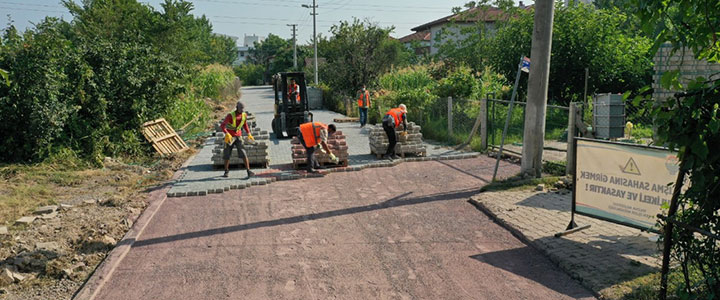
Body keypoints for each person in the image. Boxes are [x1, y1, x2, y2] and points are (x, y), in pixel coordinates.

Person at [221, 101, 255, 178]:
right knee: (227, 154)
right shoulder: (230, 115)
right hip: (230, 137)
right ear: (237, 108)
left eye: (243, 108)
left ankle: (248, 171)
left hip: (238, 137)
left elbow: (245, 125)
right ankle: (226, 171)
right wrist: (227, 133)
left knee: (243, 153)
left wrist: (249, 133)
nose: (242, 110)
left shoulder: (244, 115)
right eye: (241, 108)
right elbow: (222, 126)